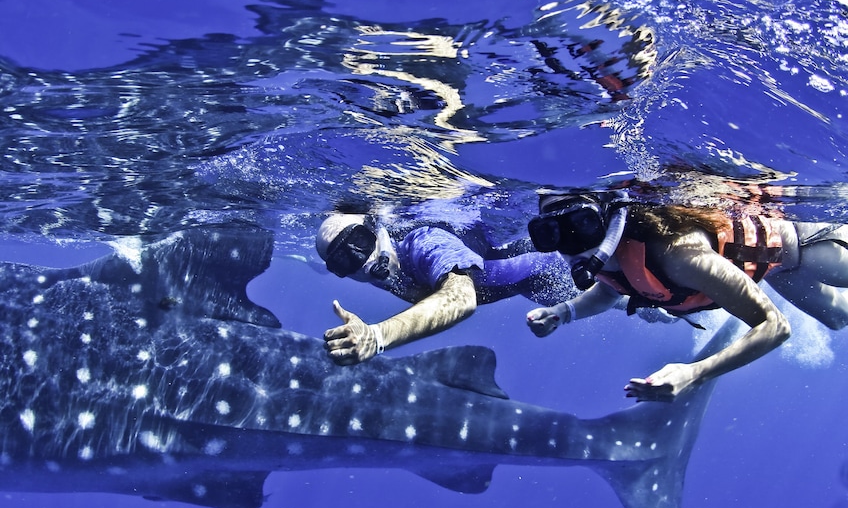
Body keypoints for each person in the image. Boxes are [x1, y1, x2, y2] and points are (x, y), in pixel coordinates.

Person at [525, 192, 848, 402]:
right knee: (837, 319)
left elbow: (775, 326)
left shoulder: (680, 255)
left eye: (582, 222)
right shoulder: (607, 257)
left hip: (809, 243)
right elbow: (611, 290)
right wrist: (563, 311)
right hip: (780, 271)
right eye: (549, 232)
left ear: (611, 217)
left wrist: (695, 373)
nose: (570, 241)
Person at [316, 212, 575, 365]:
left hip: (561, 263)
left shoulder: (423, 242)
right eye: (344, 261)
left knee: (612, 294)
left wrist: (378, 337)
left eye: (359, 242)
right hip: (527, 285)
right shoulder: (376, 271)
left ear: (376, 229)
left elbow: (461, 298)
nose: (362, 262)